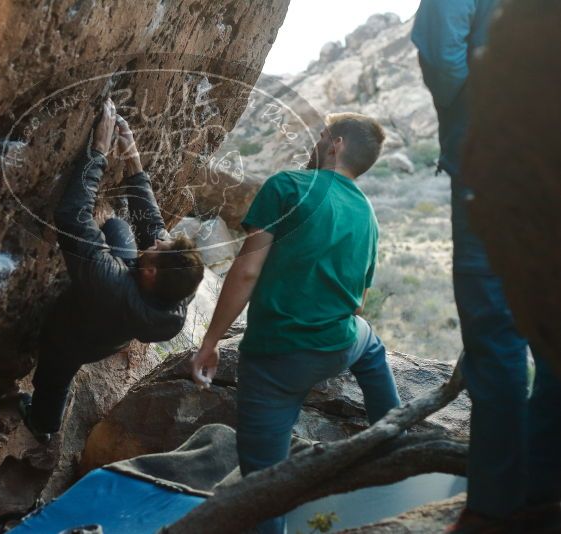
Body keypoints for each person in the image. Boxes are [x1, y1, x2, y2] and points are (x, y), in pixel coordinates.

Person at [191, 113, 402, 534]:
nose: (315, 141)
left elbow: (246, 272)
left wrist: (210, 342)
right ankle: (393, 434)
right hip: (339, 345)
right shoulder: (368, 214)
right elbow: (358, 304)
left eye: (320, 135)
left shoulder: (287, 186)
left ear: (336, 144)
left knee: (264, 485)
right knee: (371, 345)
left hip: (276, 358)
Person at [412, 1, 561, 532]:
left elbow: (440, 51)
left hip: (503, 163)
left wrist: (477, 117)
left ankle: (496, 506)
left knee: (496, 330)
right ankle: (543, 492)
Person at [20, 99, 205, 445]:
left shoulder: (112, 283)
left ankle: (43, 424)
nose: (157, 240)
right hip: (114, 329)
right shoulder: (180, 287)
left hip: (75, 336)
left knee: (55, 374)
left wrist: (99, 152)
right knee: (119, 226)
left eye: (157, 249)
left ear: (148, 272)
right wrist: (132, 159)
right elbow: (151, 223)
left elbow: (72, 214)